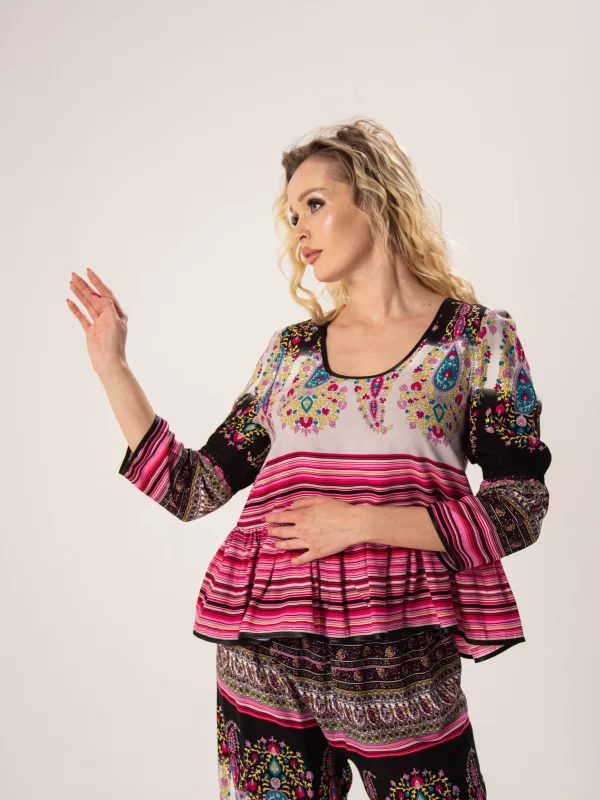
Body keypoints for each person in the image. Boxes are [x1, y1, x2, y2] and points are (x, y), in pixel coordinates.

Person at [67, 118, 551, 799]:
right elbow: (194, 488)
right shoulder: (289, 353)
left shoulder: (476, 340)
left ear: (375, 198)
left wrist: (360, 522)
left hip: (400, 655)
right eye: (293, 216)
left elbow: (520, 507)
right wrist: (112, 366)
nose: (299, 230)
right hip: (262, 653)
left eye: (315, 204)